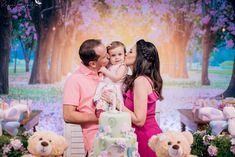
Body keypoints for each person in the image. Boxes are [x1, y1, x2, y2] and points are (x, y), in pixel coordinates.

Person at [102, 39, 163, 157]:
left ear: (139, 57)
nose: (125, 54)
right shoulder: (135, 78)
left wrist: (115, 101)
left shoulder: (140, 81)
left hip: (146, 138)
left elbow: (139, 120)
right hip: (139, 135)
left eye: (130, 52)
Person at [63, 39, 109, 156]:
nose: (108, 57)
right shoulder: (75, 80)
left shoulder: (107, 72)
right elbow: (68, 115)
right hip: (97, 141)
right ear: (93, 63)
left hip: (118, 136)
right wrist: (100, 117)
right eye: (104, 56)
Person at [93, 41, 128, 117]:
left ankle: (105, 110)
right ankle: (101, 109)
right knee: (103, 97)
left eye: (120, 54)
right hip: (107, 86)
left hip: (115, 88)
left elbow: (116, 78)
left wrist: (104, 70)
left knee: (112, 101)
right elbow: (103, 57)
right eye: (113, 55)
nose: (117, 57)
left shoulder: (122, 66)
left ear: (125, 55)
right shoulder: (110, 64)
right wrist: (105, 50)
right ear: (109, 56)